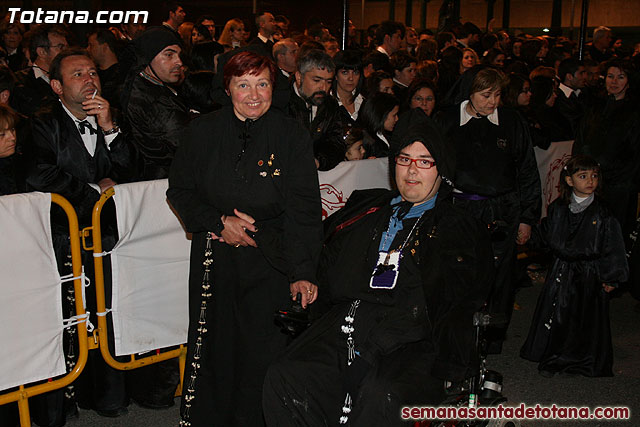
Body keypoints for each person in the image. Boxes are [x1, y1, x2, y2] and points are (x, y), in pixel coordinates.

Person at [262, 108, 494, 426]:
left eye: (424, 161)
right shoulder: (368, 209)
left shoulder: (457, 228)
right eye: (404, 159)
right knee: (286, 375)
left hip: (414, 338)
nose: (412, 171)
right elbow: (320, 251)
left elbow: (457, 301)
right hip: (349, 322)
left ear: (442, 170)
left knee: (380, 393)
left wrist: (382, 339)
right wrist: (267, 238)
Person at [167, 51, 322, 427]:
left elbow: (304, 210)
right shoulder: (200, 132)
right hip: (214, 258)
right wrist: (219, 223)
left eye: (263, 83)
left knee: (263, 351)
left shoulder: (292, 135)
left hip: (271, 257)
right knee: (217, 350)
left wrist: (303, 271)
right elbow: (181, 192)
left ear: (275, 87)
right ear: (228, 88)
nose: (254, 94)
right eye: (243, 84)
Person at [26, 47, 136, 424]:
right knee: (66, 324)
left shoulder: (112, 117)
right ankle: (59, 405)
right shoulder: (41, 123)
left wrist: (109, 128)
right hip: (59, 243)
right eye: (77, 74)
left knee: (106, 316)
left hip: (106, 243)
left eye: (93, 72)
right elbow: (38, 174)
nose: (89, 79)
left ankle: (104, 396)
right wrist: (95, 191)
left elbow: (131, 170)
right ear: (56, 85)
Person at [436, 67, 541, 353]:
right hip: (458, 209)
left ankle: (491, 340)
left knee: (499, 277)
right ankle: (455, 335)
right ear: (469, 92)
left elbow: (528, 171)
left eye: (497, 95)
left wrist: (527, 218)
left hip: (501, 210)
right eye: (485, 95)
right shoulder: (446, 120)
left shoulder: (511, 121)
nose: (492, 101)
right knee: (458, 274)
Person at [520, 155, 628, 377]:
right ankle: (555, 353)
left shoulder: (603, 213)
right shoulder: (558, 208)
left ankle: (582, 358)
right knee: (558, 314)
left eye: (594, 176)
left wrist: (612, 277)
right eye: (583, 176)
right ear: (569, 180)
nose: (590, 181)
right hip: (561, 272)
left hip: (589, 275)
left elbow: (613, 245)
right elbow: (547, 233)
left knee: (584, 318)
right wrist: (526, 236)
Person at [573, 59, 640, 241]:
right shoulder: (595, 106)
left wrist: (616, 178)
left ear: (629, 81)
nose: (614, 82)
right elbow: (581, 140)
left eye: (620, 77)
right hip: (589, 181)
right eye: (610, 76)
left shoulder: (634, 111)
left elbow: (635, 153)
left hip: (619, 186)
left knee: (613, 235)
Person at [122, 26, 189, 180]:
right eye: (169, 55)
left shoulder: (152, 86)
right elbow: (181, 144)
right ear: (148, 57)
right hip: (160, 183)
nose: (179, 62)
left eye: (178, 55)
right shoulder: (147, 98)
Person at [288, 49, 344, 171]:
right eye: (317, 80)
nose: (323, 87)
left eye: (328, 82)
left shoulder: (330, 104)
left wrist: (318, 161)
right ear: (299, 77)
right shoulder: (280, 104)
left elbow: (336, 142)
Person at [356, 91, 399, 158]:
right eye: (394, 115)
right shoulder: (367, 141)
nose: (397, 119)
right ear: (382, 115)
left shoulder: (385, 135)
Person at [331, 50, 364, 125]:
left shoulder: (364, 103)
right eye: (345, 72)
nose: (351, 78)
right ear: (335, 75)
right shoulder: (326, 105)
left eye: (355, 73)